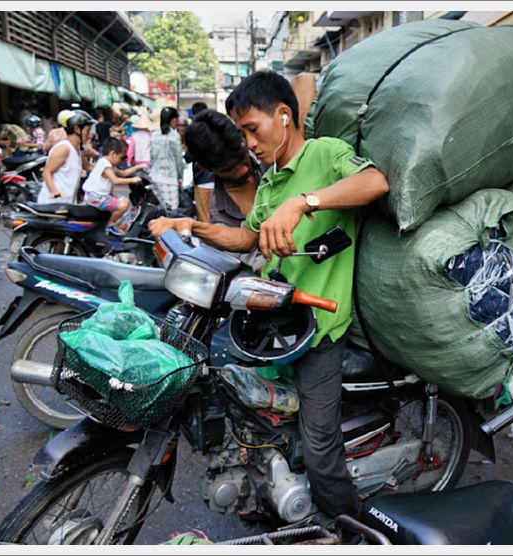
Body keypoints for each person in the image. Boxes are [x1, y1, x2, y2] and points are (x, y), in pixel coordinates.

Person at [149, 71, 389, 518]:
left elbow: (375, 183)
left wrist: (303, 203)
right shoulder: (272, 181)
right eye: (240, 133)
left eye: (251, 130)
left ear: (283, 115)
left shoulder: (324, 153)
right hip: (276, 323)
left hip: (320, 331)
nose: (248, 143)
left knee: (320, 446)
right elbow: (246, 239)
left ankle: (348, 528)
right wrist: (192, 226)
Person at [182, 109, 266, 270]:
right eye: (229, 168)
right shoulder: (218, 216)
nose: (243, 170)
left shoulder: (271, 160)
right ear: (206, 168)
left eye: (242, 158)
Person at [82, 138, 147, 231]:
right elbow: (115, 180)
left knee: (125, 201)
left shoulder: (106, 163)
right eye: (122, 158)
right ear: (113, 154)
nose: (122, 161)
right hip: (96, 197)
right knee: (123, 205)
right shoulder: (105, 164)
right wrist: (132, 180)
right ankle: (110, 224)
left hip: (97, 196)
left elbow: (123, 173)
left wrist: (137, 167)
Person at [38, 110, 93, 203]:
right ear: (77, 129)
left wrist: (112, 170)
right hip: (54, 204)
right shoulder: (64, 148)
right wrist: (54, 192)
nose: (89, 135)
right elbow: (46, 172)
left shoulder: (77, 150)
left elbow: (88, 166)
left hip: (67, 202)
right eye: (87, 131)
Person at [149, 107, 184, 210]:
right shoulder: (174, 135)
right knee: (172, 211)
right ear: (173, 120)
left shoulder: (154, 134)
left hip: (154, 177)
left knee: (161, 209)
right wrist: (180, 178)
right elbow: (178, 159)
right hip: (169, 178)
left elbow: (152, 156)